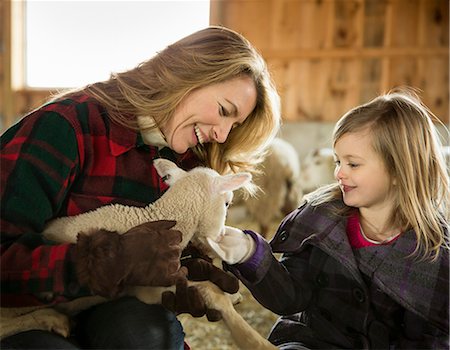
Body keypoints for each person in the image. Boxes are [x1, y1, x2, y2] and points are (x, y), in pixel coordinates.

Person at [0, 25, 281, 349]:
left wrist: (180, 276)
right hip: (20, 313)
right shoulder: (66, 127)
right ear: (185, 73)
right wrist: (100, 262)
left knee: (147, 334)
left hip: (103, 309)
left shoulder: (185, 164)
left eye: (233, 127)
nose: (221, 134)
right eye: (222, 111)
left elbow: (147, 256)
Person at [210, 88, 449, 349]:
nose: (339, 173)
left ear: (398, 170)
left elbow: (430, 338)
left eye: (353, 164)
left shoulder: (433, 251)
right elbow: (290, 297)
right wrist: (250, 254)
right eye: (337, 161)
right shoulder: (319, 220)